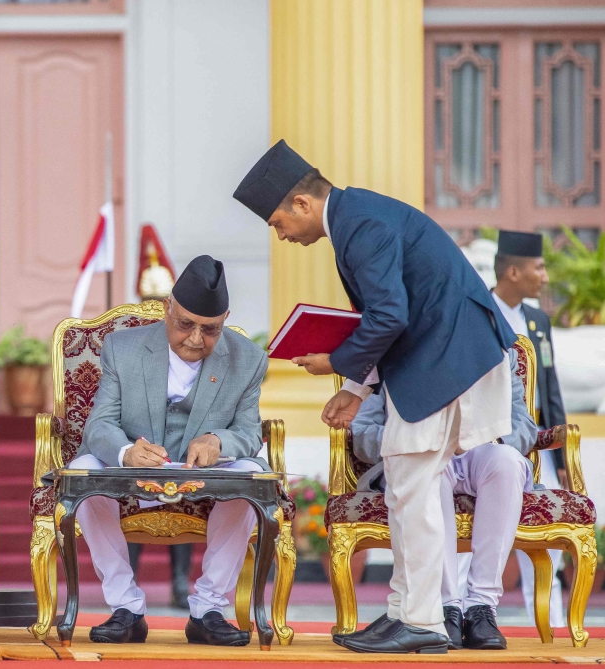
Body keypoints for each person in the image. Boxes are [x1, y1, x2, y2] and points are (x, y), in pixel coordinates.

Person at [234, 141, 516, 654]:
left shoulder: (360, 226)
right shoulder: (357, 216)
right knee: (409, 486)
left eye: (277, 222)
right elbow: (384, 319)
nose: (279, 234)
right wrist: (354, 390)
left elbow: (389, 317)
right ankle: (406, 613)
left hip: (451, 361)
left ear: (301, 204)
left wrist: (335, 362)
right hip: (444, 358)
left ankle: (424, 622)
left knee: (412, 485)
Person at [68, 255, 269, 646]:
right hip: (134, 469)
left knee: (253, 477)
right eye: (185, 325)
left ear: (225, 318)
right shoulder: (121, 348)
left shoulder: (248, 359)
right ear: (167, 310)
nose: (196, 338)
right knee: (83, 470)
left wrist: (219, 441)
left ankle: (208, 608)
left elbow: (248, 432)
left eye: (210, 329)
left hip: (206, 473)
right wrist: (126, 452)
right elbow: (100, 425)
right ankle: (126, 607)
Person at [350, 348, 537, 650]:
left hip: (480, 450)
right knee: (426, 468)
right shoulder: (391, 348)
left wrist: (483, 437)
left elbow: (523, 425)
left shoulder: (497, 352)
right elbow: (361, 433)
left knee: (507, 462)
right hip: (419, 450)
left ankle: (481, 608)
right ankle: (446, 607)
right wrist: (421, 440)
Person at [491, 230, 568, 628]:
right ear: (514, 271)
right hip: (486, 444)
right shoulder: (479, 311)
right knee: (471, 538)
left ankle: (550, 624)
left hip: (537, 445)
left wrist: (560, 449)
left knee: (546, 538)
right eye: (540, 267)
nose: (545, 276)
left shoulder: (537, 320)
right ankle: (467, 614)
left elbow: (549, 389)